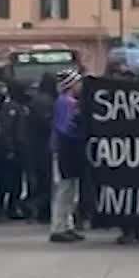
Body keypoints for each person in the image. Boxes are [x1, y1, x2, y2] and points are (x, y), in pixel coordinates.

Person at [50, 69, 86, 243]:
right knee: (64, 190)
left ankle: (67, 224)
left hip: (68, 150)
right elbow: (65, 128)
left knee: (71, 190)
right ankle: (58, 226)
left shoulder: (69, 102)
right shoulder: (66, 103)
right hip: (65, 149)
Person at [24, 73, 57, 224]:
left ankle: (41, 212)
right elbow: (46, 122)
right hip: (43, 146)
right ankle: (35, 208)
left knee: (40, 180)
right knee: (46, 181)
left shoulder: (37, 99)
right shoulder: (46, 101)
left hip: (34, 145)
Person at [0, 81, 30, 219]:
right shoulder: (12, 108)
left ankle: (9, 206)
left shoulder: (14, 107)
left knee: (13, 181)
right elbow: (9, 130)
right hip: (15, 150)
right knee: (12, 181)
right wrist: (11, 148)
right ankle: (10, 207)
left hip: (16, 149)